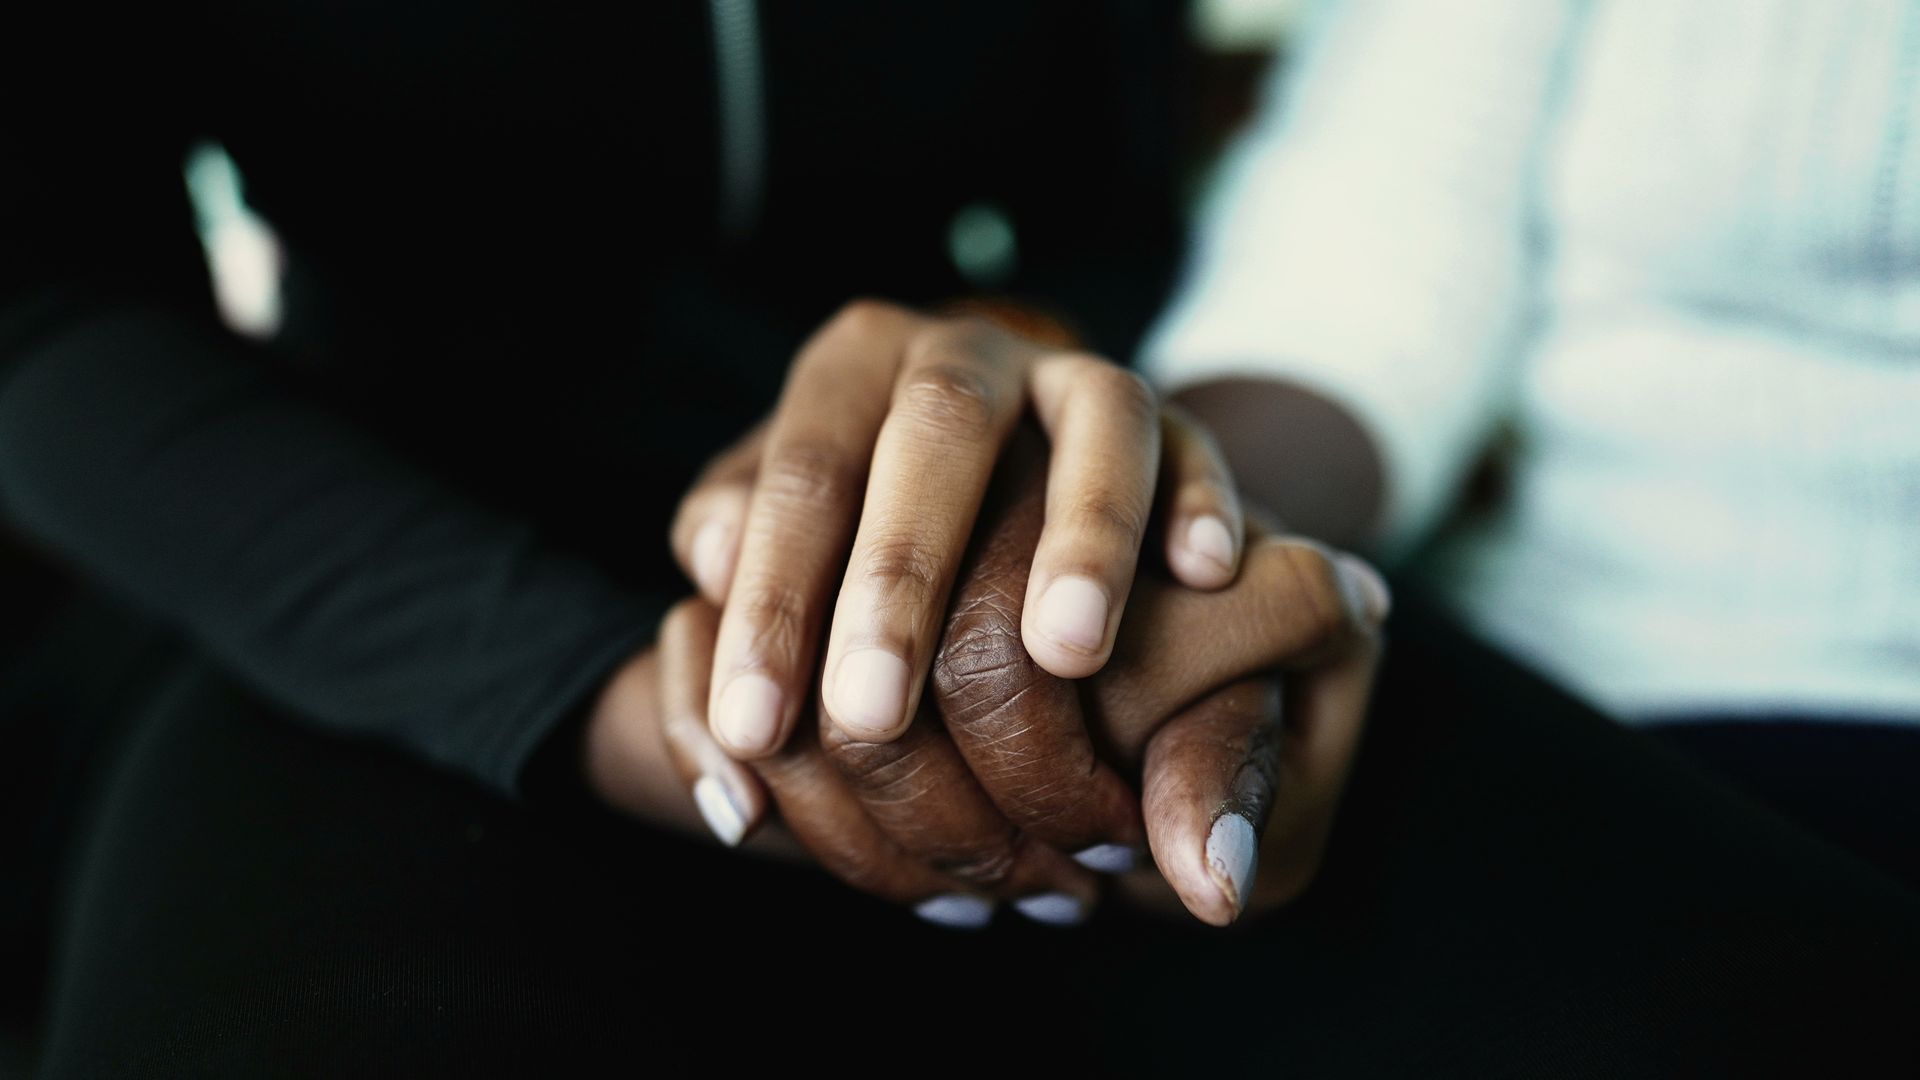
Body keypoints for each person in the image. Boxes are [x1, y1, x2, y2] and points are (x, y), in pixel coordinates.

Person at [3, 3, 1917, 1077]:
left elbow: (1136, 181)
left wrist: (1096, 461)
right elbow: (38, 304)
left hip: (1014, 495)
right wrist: (596, 699)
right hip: (391, 552)